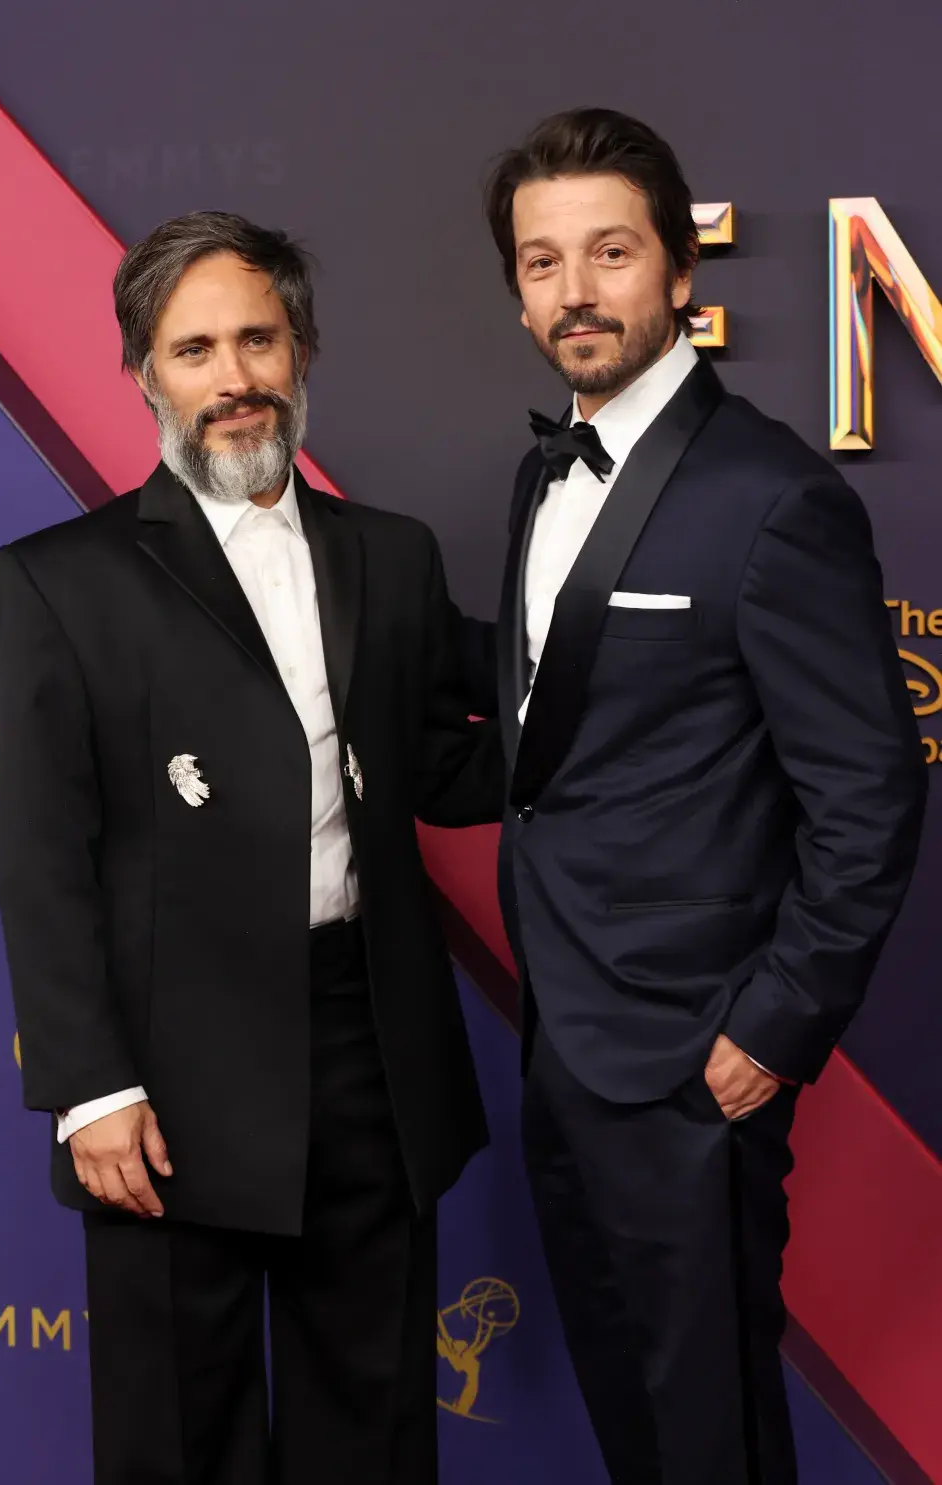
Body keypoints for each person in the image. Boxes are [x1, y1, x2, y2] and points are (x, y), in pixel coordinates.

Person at [0, 211, 504, 1485]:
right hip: (165, 1075)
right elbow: (41, 854)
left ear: (303, 349)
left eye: (257, 339)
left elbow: (448, 766)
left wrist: (634, 711)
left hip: (368, 1050)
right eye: (196, 348)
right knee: (179, 1439)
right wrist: (90, 1090)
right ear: (147, 373)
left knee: (370, 1434)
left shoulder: (392, 552)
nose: (234, 379)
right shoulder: (62, 580)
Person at [465, 109, 927, 1485]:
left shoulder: (770, 496)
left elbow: (867, 790)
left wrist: (771, 1029)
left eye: (608, 253)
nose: (574, 291)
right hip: (564, 1025)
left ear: (677, 270)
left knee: (707, 1430)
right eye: (541, 263)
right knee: (633, 1418)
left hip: (692, 1061)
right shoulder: (543, 471)